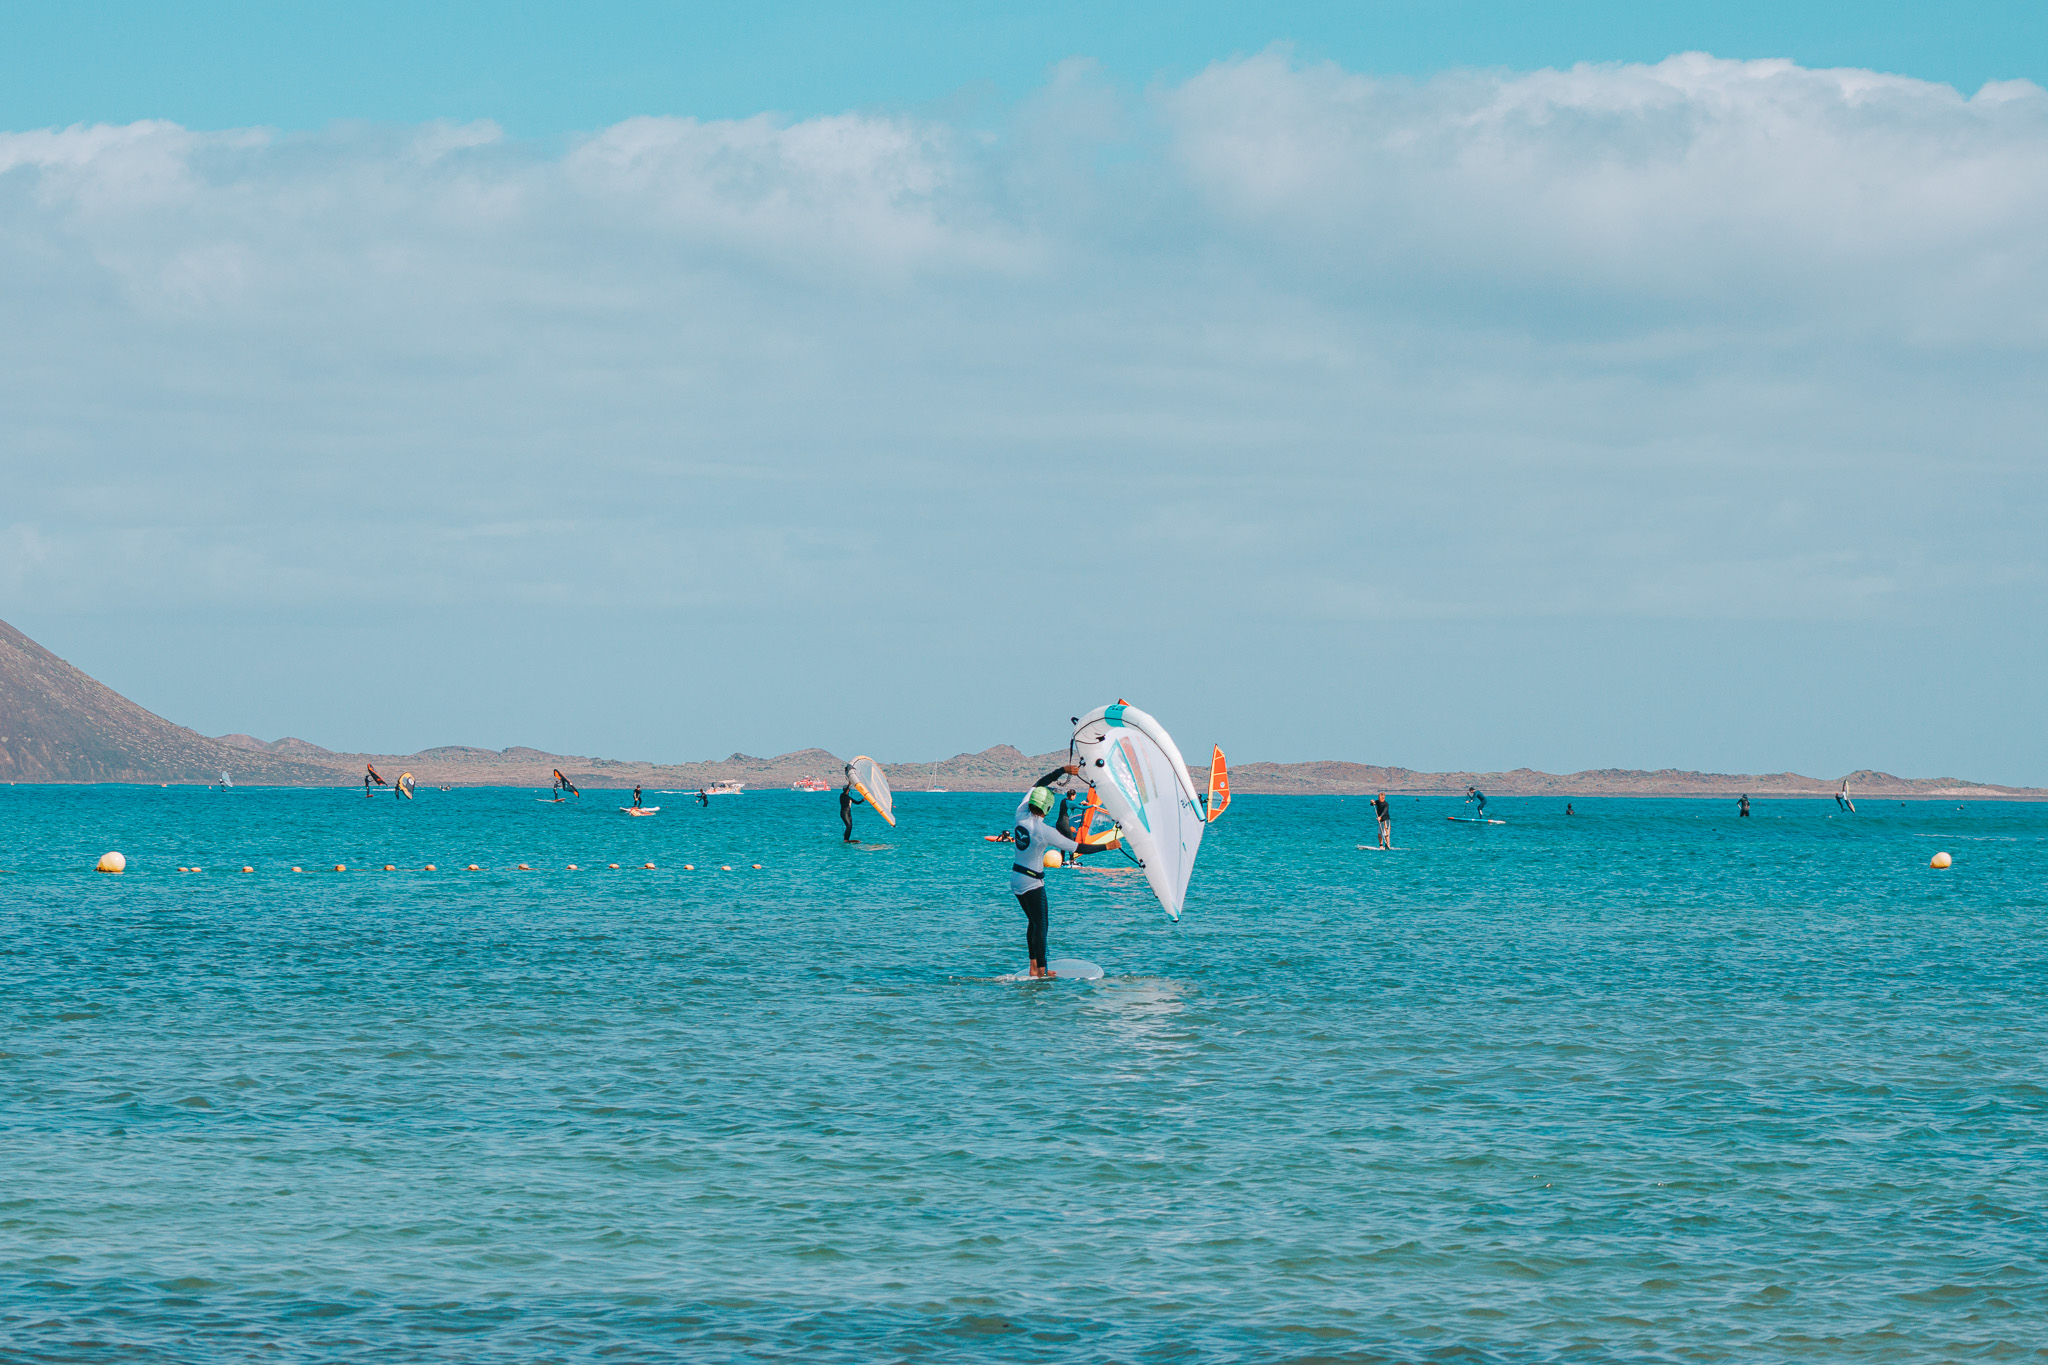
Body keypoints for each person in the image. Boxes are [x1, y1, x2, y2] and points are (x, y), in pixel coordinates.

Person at [1011, 764, 1081, 978]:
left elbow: (1038, 784)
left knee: (1033, 923)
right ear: (1048, 808)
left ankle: (1035, 967)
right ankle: (1040, 970)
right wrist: (1108, 846)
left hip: (1016, 879)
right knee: (1041, 926)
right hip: (1032, 883)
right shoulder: (1044, 830)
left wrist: (1061, 770)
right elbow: (1078, 848)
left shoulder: (1020, 814)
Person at [839, 768, 866, 842]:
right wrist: (849, 784)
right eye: (847, 789)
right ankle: (846, 840)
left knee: (850, 826)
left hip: (848, 813)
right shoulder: (842, 796)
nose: (848, 790)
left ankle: (847, 839)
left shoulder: (849, 797)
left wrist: (863, 800)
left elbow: (857, 803)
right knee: (848, 826)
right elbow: (845, 792)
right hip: (844, 812)